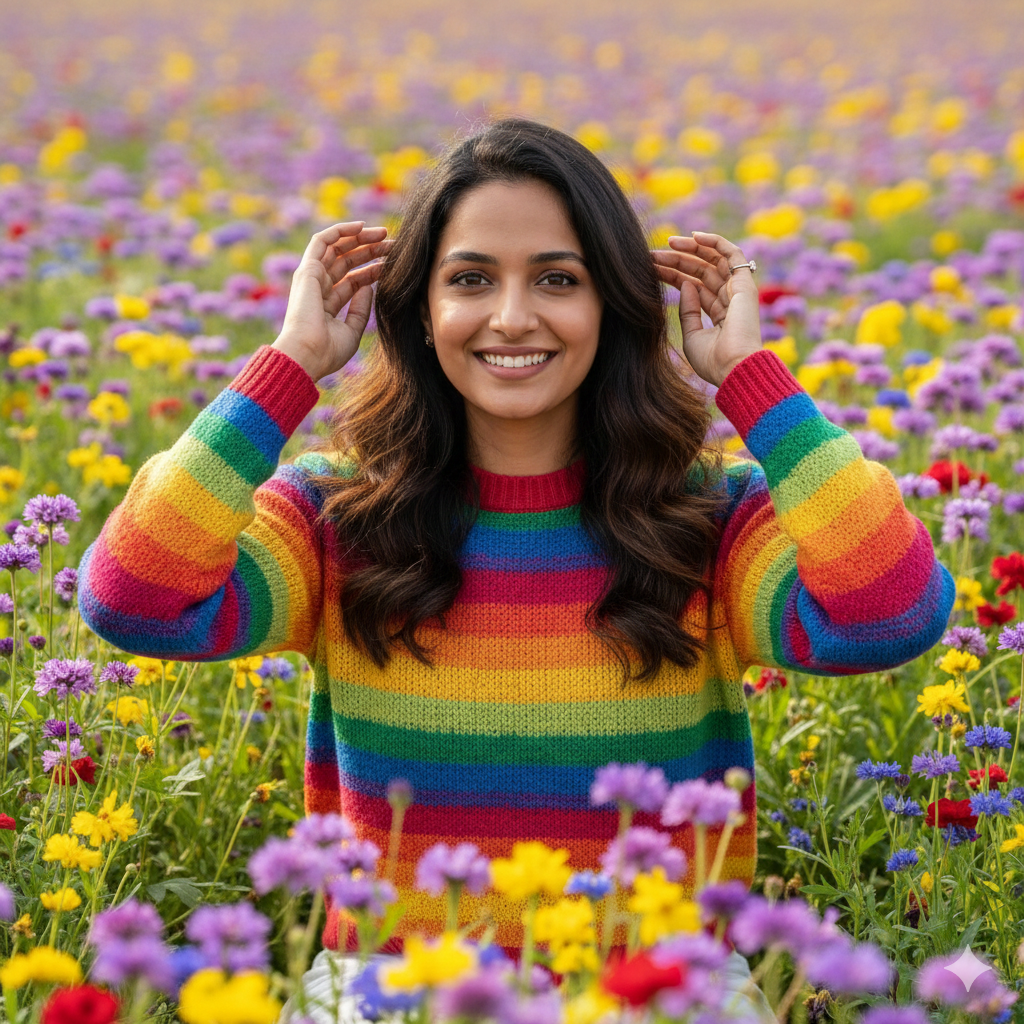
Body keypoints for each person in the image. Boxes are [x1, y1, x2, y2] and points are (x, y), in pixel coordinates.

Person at [78, 118, 954, 1021]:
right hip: (393, 991)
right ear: (420, 309)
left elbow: (890, 613)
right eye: (470, 279)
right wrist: (290, 366)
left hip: (653, 993)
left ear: (614, 303)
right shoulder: (339, 518)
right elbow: (133, 599)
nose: (511, 317)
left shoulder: (708, 522)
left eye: (557, 279)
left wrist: (749, 378)